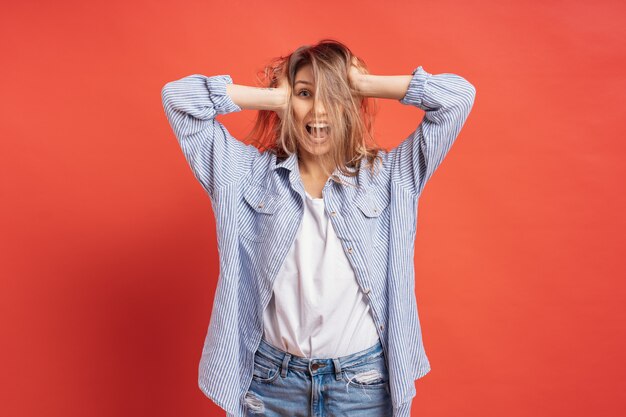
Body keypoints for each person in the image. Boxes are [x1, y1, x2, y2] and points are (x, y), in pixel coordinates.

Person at [161, 38, 476, 417]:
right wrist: (274, 99)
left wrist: (363, 85)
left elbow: (458, 98)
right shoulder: (243, 175)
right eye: (305, 94)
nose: (319, 109)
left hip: (361, 387)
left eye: (335, 95)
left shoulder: (391, 177)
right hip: (271, 384)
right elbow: (179, 99)